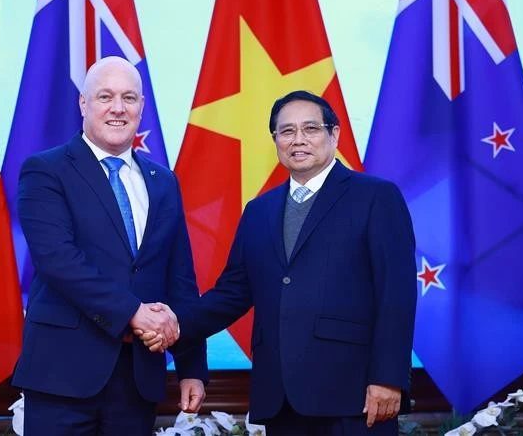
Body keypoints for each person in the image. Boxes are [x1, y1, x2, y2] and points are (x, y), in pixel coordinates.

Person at [141, 90, 416, 435]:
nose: (298, 140)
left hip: (354, 396)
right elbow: (232, 293)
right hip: (280, 397)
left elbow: (397, 294)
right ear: (275, 140)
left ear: (334, 134)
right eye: (286, 131)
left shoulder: (376, 197)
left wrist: (388, 378)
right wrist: (173, 324)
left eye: (311, 129)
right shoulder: (259, 211)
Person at [11, 56, 207, 435]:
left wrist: (191, 367)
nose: (118, 108)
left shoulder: (163, 182)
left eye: (129, 98)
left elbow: (180, 278)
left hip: (138, 379)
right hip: (62, 376)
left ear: (142, 107)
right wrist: (135, 313)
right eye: (105, 96)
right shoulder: (46, 170)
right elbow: (58, 260)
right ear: (83, 104)